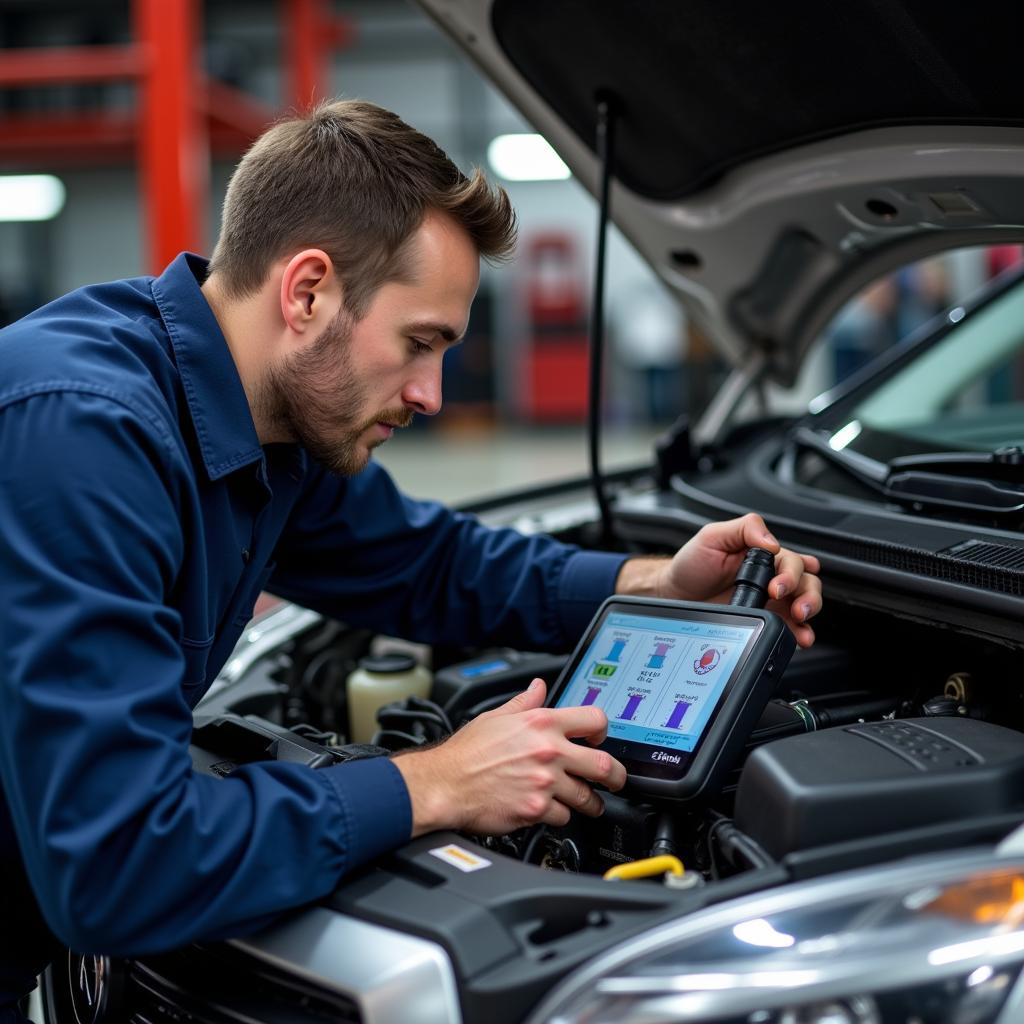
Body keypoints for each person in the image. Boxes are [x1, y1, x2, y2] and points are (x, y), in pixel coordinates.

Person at [0, 100, 821, 1019]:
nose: (431, 394)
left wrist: (653, 582)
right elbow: (118, 867)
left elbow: (428, 564)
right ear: (307, 291)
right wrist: (434, 781)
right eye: (419, 343)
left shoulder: (274, 424)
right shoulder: (86, 435)